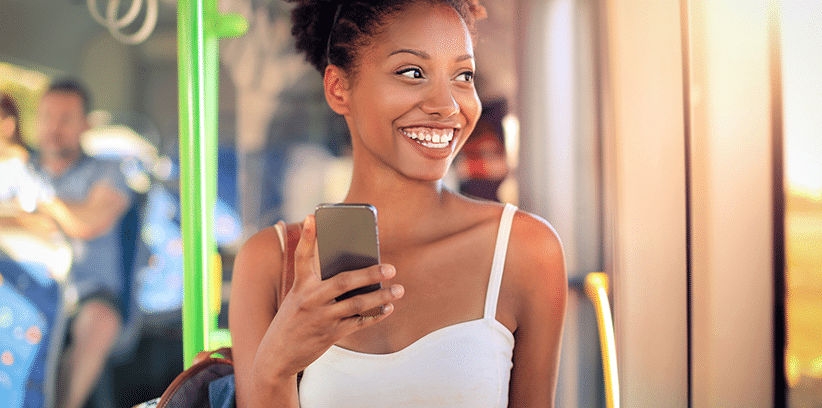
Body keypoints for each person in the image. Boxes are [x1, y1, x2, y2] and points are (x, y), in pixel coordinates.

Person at [228, 1, 567, 407]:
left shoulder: (525, 250)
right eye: (412, 72)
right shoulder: (270, 262)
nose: (447, 105)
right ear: (339, 88)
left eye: (463, 75)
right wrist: (276, 365)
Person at [9, 79, 132, 408]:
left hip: (86, 293)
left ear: (85, 125)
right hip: (21, 287)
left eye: (65, 118)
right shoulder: (18, 169)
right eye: (47, 116)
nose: (54, 127)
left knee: (99, 322)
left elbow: (90, 222)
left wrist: (38, 204)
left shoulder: (108, 170)